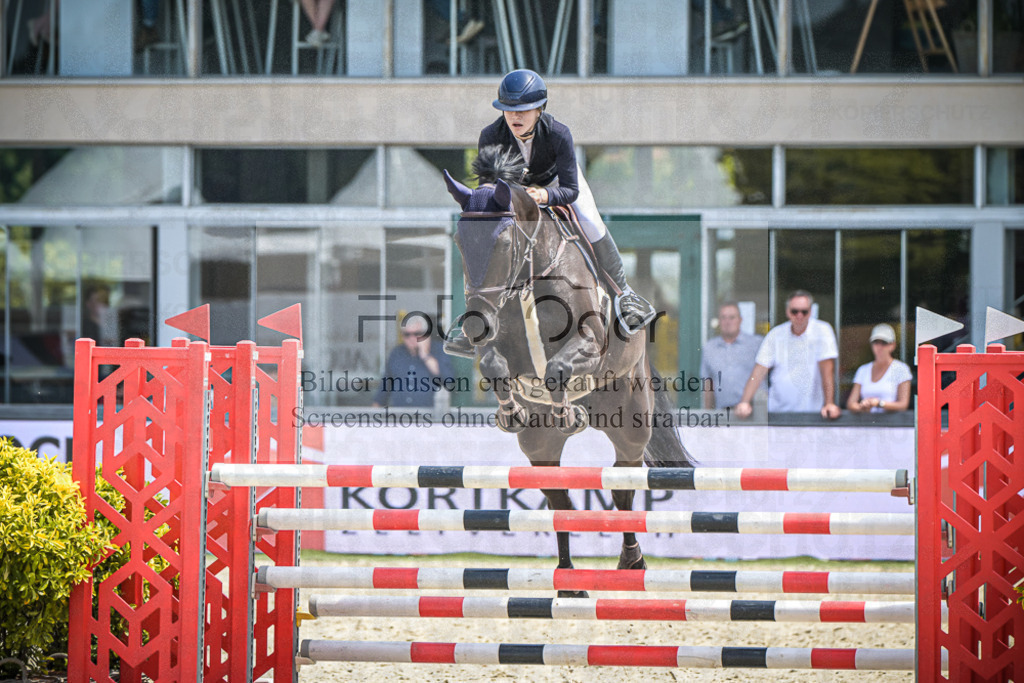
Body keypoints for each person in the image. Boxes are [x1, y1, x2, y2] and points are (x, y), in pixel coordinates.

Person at [445, 68, 656, 357]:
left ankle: (624, 294)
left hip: (556, 184)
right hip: (514, 195)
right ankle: (477, 314)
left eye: (523, 111)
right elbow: (488, 191)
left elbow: (571, 190)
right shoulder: (490, 135)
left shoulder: (559, 134)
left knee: (590, 222)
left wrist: (545, 195)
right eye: (508, 110)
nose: (514, 117)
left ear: (539, 109)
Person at [735, 290, 840, 419]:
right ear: (787, 311)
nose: (799, 315)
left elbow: (827, 370)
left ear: (811, 312)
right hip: (777, 412)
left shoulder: (823, 330)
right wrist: (744, 401)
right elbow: (759, 371)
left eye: (804, 311)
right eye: (795, 311)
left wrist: (829, 403)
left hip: (811, 414)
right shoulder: (776, 334)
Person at [373, 316, 454, 409]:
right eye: (407, 334)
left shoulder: (439, 350)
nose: (411, 338)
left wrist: (425, 354)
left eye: (417, 334)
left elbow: (448, 379)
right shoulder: (396, 353)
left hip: (430, 417)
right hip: (400, 416)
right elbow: (385, 386)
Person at [700, 302, 762, 409]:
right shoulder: (709, 348)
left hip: (753, 413)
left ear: (740, 320)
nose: (727, 322)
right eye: (723, 318)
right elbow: (708, 384)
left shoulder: (756, 344)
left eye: (732, 317)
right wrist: (708, 414)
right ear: (719, 321)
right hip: (724, 414)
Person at [846, 323, 912, 413]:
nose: (879, 347)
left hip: (892, 425)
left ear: (893, 345)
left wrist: (879, 403)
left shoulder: (901, 369)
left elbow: (903, 405)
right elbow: (851, 403)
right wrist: (862, 407)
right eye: (876, 342)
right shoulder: (863, 370)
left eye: (884, 343)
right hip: (867, 423)